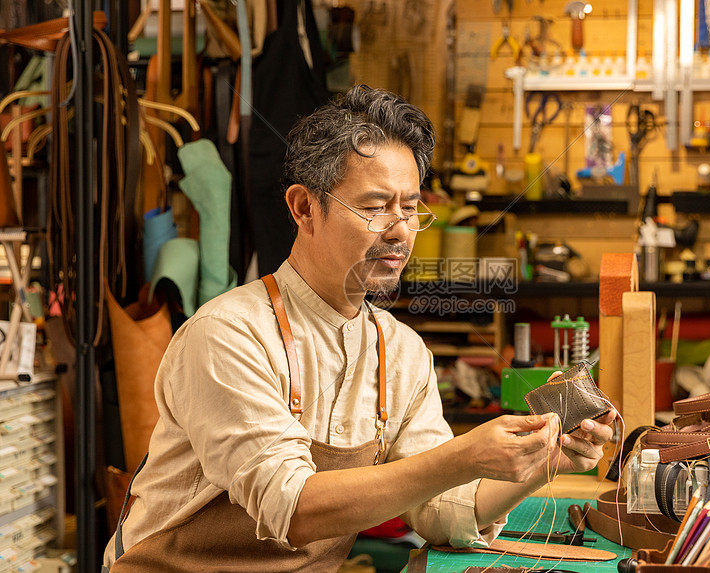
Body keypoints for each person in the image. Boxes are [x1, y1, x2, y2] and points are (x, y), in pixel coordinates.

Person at [102, 85, 616, 571]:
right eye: (374, 207)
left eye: (411, 209)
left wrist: (541, 460)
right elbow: (294, 509)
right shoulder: (229, 335)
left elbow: (439, 510)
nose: (399, 230)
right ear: (304, 207)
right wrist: (465, 453)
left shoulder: (401, 351)